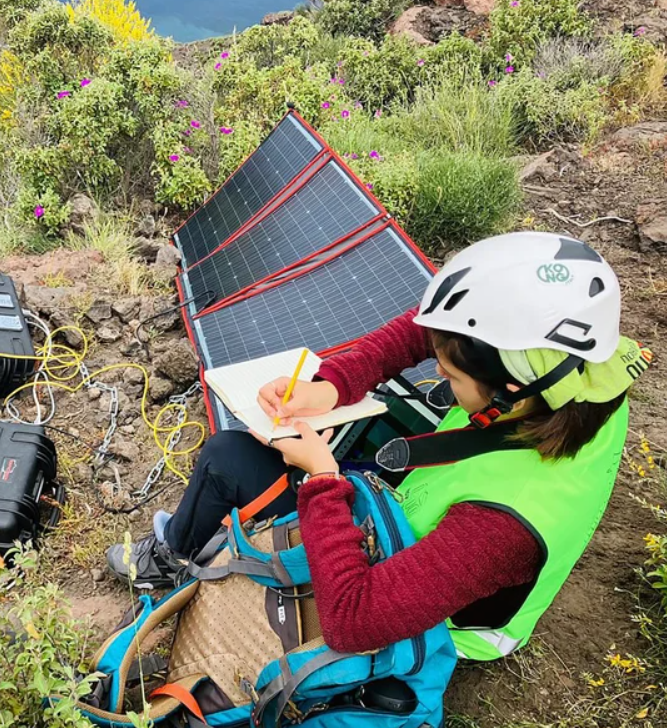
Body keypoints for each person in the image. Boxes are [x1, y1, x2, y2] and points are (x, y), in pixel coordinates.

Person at [105, 232, 652, 661]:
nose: (436, 366)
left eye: (452, 372)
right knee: (365, 423)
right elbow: (427, 331)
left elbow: (353, 620)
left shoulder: (501, 528)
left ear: (510, 386)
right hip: (445, 525)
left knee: (232, 459)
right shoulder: (578, 367)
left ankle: (169, 561)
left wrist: (323, 480)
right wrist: (332, 384)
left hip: (435, 625)